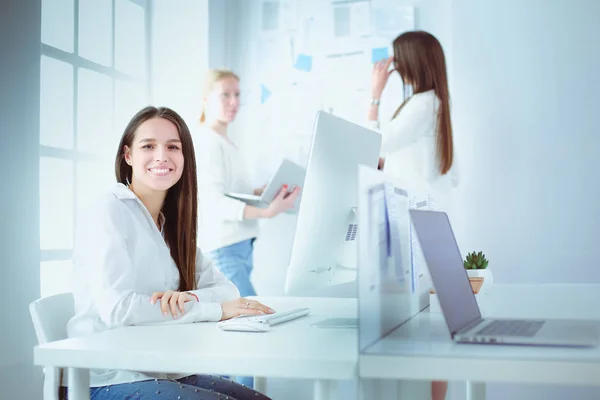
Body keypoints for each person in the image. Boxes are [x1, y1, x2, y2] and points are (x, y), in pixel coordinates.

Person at [65, 106, 274, 400]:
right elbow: (119, 309)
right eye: (148, 146)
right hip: (105, 375)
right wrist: (211, 309)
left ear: (184, 158)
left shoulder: (171, 226)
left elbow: (228, 291)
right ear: (128, 156)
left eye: (172, 147)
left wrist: (190, 297)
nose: (161, 156)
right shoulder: (110, 210)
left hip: (160, 369)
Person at [368, 31, 459, 400]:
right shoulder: (435, 103)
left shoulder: (423, 104)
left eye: (397, 59)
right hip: (426, 221)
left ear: (410, 62)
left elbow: (373, 143)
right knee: (432, 323)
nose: (394, 67)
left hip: (414, 225)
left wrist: (374, 93)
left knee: (422, 324)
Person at [194, 69, 300, 298]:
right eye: (225, 95)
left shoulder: (225, 142)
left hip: (239, 246)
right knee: (252, 317)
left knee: (246, 319)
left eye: (237, 95)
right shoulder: (209, 143)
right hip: (225, 249)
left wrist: (257, 193)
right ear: (206, 99)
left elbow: (228, 191)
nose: (234, 102)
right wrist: (267, 212)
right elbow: (214, 202)